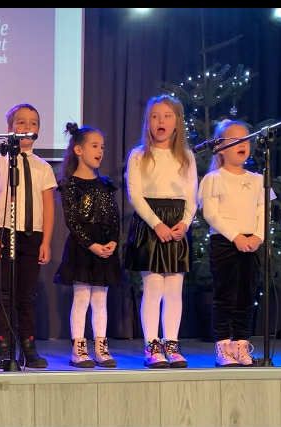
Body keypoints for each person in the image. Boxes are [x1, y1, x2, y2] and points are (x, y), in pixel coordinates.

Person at [0, 103, 56, 369]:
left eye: (32, 123)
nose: (26, 127)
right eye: (20, 122)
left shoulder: (43, 167)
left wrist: (46, 241)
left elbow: (48, 207)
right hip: (3, 233)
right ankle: (3, 347)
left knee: (26, 294)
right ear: (10, 128)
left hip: (32, 235)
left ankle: (28, 346)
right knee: (3, 293)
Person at [124, 95, 197, 368]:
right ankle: (152, 344)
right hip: (151, 223)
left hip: (177, 223)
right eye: (154, 116)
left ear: (177, 121)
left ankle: (172, 343)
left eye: (166, 116)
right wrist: (156, 224)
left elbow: (192, 195)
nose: (160, 121)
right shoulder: (139, 155)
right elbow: (135, 194)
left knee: (174, 288)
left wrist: (185, 223)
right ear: (148, 122)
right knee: (153, 286)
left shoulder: (186, 156)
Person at [199, 120, 270, 367]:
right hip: (225, 242)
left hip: (252, 243)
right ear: (220, 148)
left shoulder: (258, 179)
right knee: (225, 294)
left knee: (246, 295)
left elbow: (263, 210)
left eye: (246, 140)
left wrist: (258, 236)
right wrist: (236, 237)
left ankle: (241, 344)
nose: (243, 144)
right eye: (235, 140)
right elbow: (211, 213)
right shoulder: (214, 178)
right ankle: (223, 345)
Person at [55, 122, 120, 368]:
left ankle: (101, 346)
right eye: (94, 146)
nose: (100, 151)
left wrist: (113, 241)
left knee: (100, 299)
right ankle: (79, 348)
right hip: (83, 248)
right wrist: (91, 244)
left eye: (102, 147)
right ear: (79, 150)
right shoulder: (70, 185)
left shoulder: (105, 185)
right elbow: (72, 220)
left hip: (104, 247)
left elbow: (113, 217)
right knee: (82, 297)